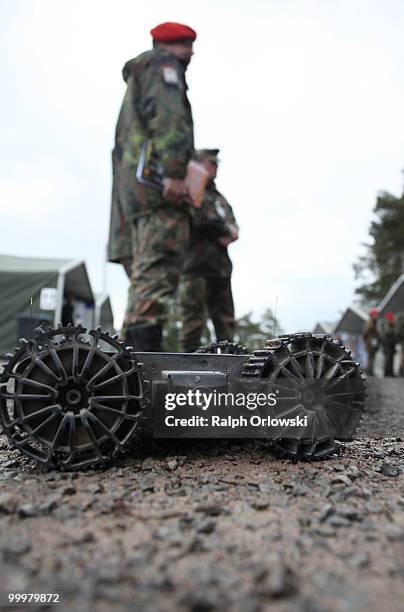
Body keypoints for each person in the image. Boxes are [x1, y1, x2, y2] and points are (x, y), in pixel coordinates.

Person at [107, 22, 197, 351]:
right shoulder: (164, 68)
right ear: (168, 45)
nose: (191, 52)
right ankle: (145, 368)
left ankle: (130, 367)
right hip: (157, 187)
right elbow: (169, 116)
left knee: (145, 279)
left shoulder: (138, 77)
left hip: (134, 191)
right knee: (156, 276)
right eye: (186, 44)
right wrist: (174, 172)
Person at [179, 149, 239, 352]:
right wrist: (223, 229)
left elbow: (234, 228)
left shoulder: (219, 198)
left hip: (220, 269)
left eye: (216, 164)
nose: (214, 167)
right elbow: (199, 218)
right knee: (193, 324)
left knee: (226, 324)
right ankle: (186, 370)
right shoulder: (192, 188)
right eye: (210, 163)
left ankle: (230, 368)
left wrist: (227, 230)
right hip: (195, 267)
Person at [363, 307, 380, 376]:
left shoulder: (375, 322)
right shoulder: (369, 322)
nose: (377, 316)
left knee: (372, 357)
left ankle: (371, 370)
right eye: (375, 314)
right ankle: (369, 371)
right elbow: (365, 333)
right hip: (370, 342)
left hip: (373, 342)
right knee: (370, 357)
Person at [381, 311, 398, 377]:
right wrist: (392, 327)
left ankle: (391, 372)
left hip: (392, 343)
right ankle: (386, 372)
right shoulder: (386, 323)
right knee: (387, 358)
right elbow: (387, 332)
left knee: (391, 358)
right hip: (387, 344)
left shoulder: (392, 324)